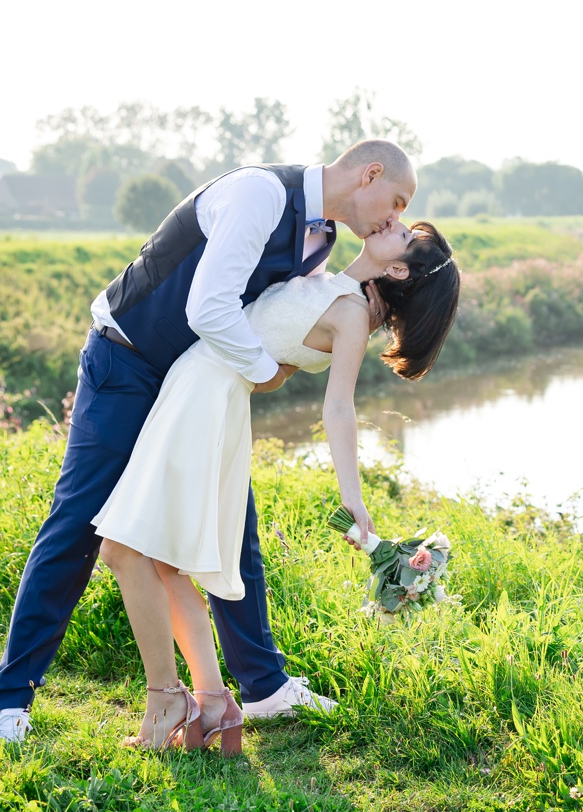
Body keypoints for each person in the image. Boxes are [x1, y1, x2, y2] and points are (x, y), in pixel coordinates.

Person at [0, 141, 416, 741]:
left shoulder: (321, 239)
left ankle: (260, 689)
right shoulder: (259, 194)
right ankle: (12, 700)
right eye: (395, 201)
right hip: (127, 363)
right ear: (369, 174)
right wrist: (266, 374)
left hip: (195, 388)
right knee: (79, 523)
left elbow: (284, 312)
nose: (393, 217)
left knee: (233, 528)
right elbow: (210, 308)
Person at [93, 218, 459, 751]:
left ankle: (167, 699)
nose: (393, 221)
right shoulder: (333, 282)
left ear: (398, 267)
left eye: (403, 234)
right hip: (194, 390)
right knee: (161, 563)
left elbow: (339, 407)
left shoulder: (352, 314)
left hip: (205, 401)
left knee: (123, 551)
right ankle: (212, 701)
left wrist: (351, 496)